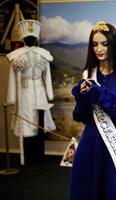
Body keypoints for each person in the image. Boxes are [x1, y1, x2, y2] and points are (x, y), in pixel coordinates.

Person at [70, 21, 116, 200]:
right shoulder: (88, 74)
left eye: (104, 44)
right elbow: (81, 116)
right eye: (95, 44)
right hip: (90, 142)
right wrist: (82, 99)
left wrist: (100, 94)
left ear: (114, 44)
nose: (99, 49)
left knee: (114, 189)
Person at [6, 19, 56, 165]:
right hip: (25, 92)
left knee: (38, 120)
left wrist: (49, 94)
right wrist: (12, 98)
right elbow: (12, 78)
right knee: (27, 119)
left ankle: (38, 155)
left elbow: (47, 76)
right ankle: (28, 156)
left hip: (39, 91)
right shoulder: (16, 56)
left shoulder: (43, 54)